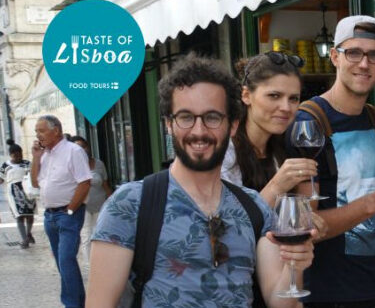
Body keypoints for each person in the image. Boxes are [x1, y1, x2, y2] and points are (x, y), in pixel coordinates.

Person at [84, 54, 315, 307]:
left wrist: (295, 265)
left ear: (233, 125)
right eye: (185, 117)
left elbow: (279, 302)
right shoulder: (130, 204)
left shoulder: (254, 207)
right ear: (169, 125)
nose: (199, 131)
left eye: (212, 117)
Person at [288, 15, 375, 307]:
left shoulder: (371, 115)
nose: (364, 64)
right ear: (335, 57)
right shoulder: (308, 124)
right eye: (354, 52)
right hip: (332, 294)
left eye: (374, 55)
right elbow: (306, 225)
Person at [223, 51, 318, 206]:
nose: (286, 107)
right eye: (274, 96)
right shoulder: (224, 150)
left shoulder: (286, 145)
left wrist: (307, 219)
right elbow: (230, 224)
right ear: (246, 95)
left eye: (293, 98)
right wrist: (276, 187)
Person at [30, 114, 91, 307]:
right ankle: (78, 302)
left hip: (67, 214)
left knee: (66, 260)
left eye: (41, 130)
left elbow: (84, 182)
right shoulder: (45, 154)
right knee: (62, 263)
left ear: (56, 130)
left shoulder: (73, 151)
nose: (38, 135)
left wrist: (71, 211)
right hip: (50, 215)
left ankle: (72, 304)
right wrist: (36, 158)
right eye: (36, 132)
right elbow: (34, 182)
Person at [69, 135, 113, 257]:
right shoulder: (71, 167)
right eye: (78, 147)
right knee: (86, 235)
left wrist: (112, 202)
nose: (82, 150)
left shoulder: (99, 164)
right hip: (83, 206)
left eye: (84, 146)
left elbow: (105, 184)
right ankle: (90, 267)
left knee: (100, 235)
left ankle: (101, 261)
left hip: (100, 204)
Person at [2, 140, 34, 248]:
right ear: (11, 155)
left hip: (27, 191)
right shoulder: (5, 165)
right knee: (19, 215)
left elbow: (34, 175)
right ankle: (24, 239)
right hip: (13, 192)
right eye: (15, 156)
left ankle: (28, 232)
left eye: (20, 155)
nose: (18, 158)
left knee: (30, 214)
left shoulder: (27, 163)